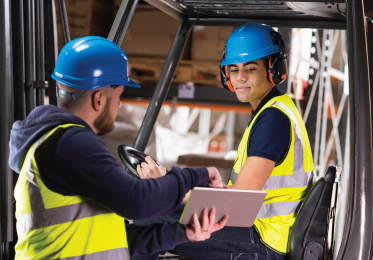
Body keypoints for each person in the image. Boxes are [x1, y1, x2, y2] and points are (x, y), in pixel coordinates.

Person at [8, 36, 228, 260]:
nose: (120, 104)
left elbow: (115, 240)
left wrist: (181, 233)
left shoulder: (58, 144)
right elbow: (137, 201)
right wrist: (196, 176)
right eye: (119, 97)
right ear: (99, 99)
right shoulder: (69, 143)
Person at [130, 22, 315, 260]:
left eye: (250, 68)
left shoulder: (273, 120)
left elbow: (238, 202)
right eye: (234, 69)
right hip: (260, 232)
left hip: (264, 242)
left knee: (149, 221)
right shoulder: (273, 111)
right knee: (160, 212)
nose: (240, 78)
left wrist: (169, 187)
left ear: (274, 69)